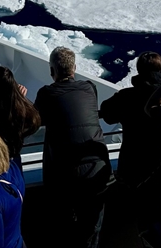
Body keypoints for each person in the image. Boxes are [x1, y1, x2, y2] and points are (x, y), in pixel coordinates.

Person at [34, 47, 111, 248]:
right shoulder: (89, 88)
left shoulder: (46, 94)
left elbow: (34, 119)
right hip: (98, 170)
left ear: (52, 71)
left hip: (66, 176)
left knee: (64, 226)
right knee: (91, 227)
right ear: (74, 68)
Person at [99, 52, 161, 239]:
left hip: (133, 169)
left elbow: (107, 113)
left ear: (139, 71)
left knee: (137, 220)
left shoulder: (127, 96)